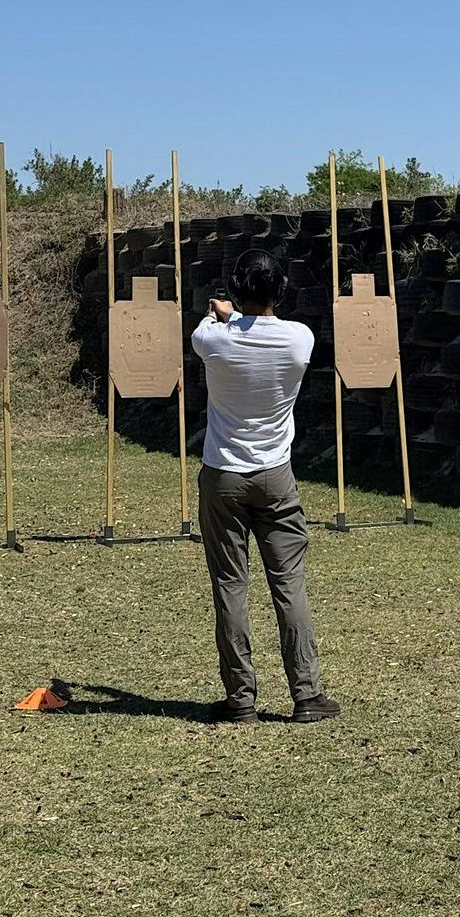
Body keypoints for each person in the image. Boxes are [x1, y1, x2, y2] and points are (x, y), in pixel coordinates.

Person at [192, 248, 338, 724]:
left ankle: (240, 699)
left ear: (235, 290)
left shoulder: (211, 338)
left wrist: (224, 313)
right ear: (280, 290)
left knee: (231, 585)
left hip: (223, 475)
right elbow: (263, 325)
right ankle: (307, 693)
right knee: (289, 583)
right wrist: (237, 313)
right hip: (276, 475)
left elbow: (213, 328)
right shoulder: (300, 339)